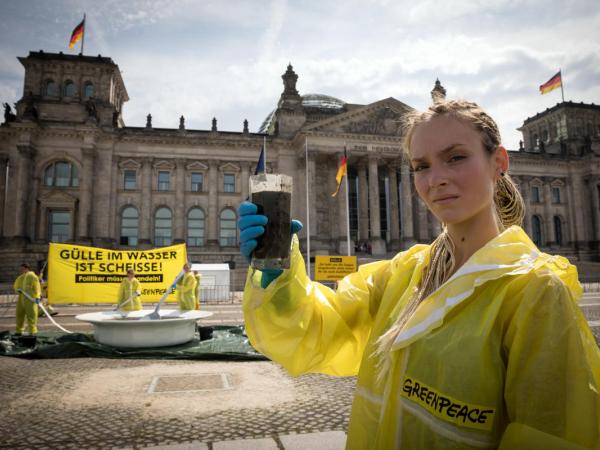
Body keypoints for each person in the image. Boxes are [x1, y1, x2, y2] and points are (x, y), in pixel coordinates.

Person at [238, 100, 600, 449]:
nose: (437, 178)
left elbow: (555, 435)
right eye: (421, 166)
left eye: (456, 157)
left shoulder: (535, 293)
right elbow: (315, 331)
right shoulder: (405, 273)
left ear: (499, 162)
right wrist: (278, 269)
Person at [13, 263, 41, 335]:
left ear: (27, 268)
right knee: (19, 315)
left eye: (22, 268)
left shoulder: (32, 276)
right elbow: (16, 285)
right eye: (20, 269)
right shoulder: (20, 277)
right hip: (21, 299)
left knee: (31, 315)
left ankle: (32, 331)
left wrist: (37, 296)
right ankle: (19, 331)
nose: (21, 270)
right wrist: (17, 290)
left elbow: (37, 287)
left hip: (30, 299)